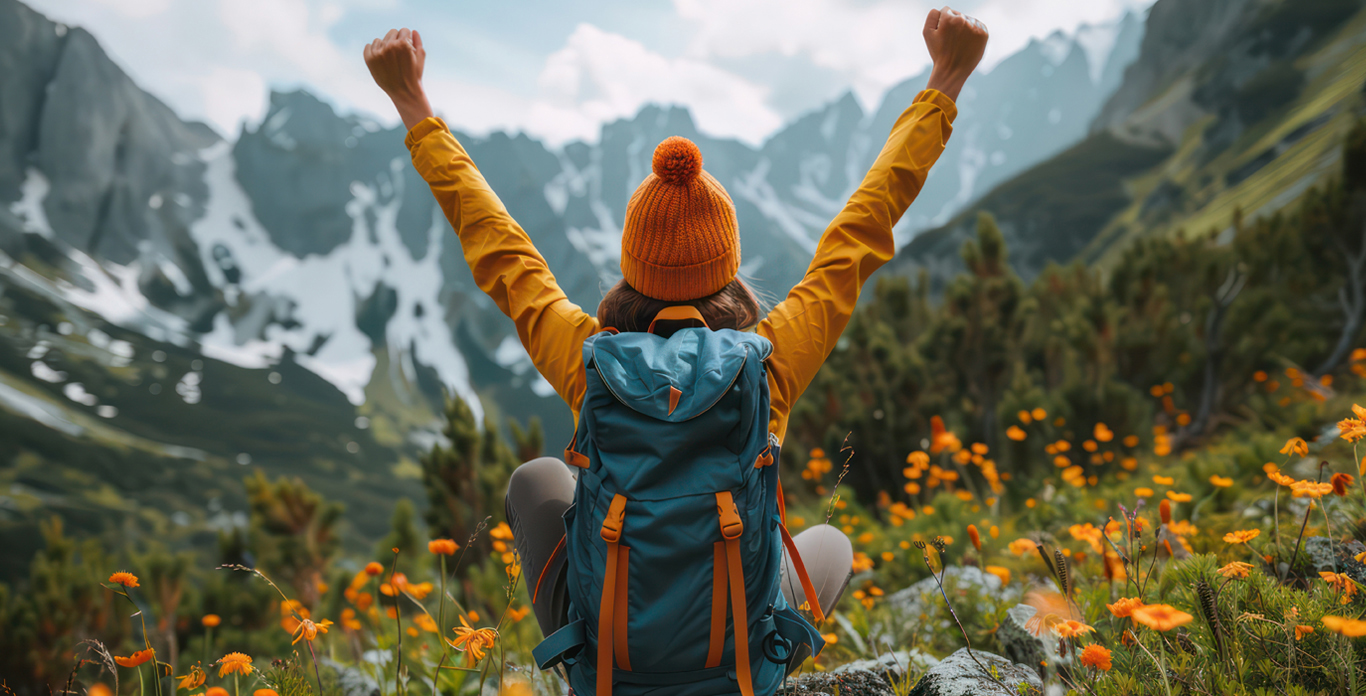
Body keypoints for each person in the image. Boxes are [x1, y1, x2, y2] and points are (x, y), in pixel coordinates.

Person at [365, 4, 986, 683]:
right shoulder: (768, 364)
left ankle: (587, 661)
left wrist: (412, 103)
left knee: (536, 479)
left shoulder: (589, 359)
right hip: (736, 669)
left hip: (617, 672)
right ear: (729, 270)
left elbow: (501, 252)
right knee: (828, 543)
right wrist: (944, 82)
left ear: (633, 267)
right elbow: (860, 232)